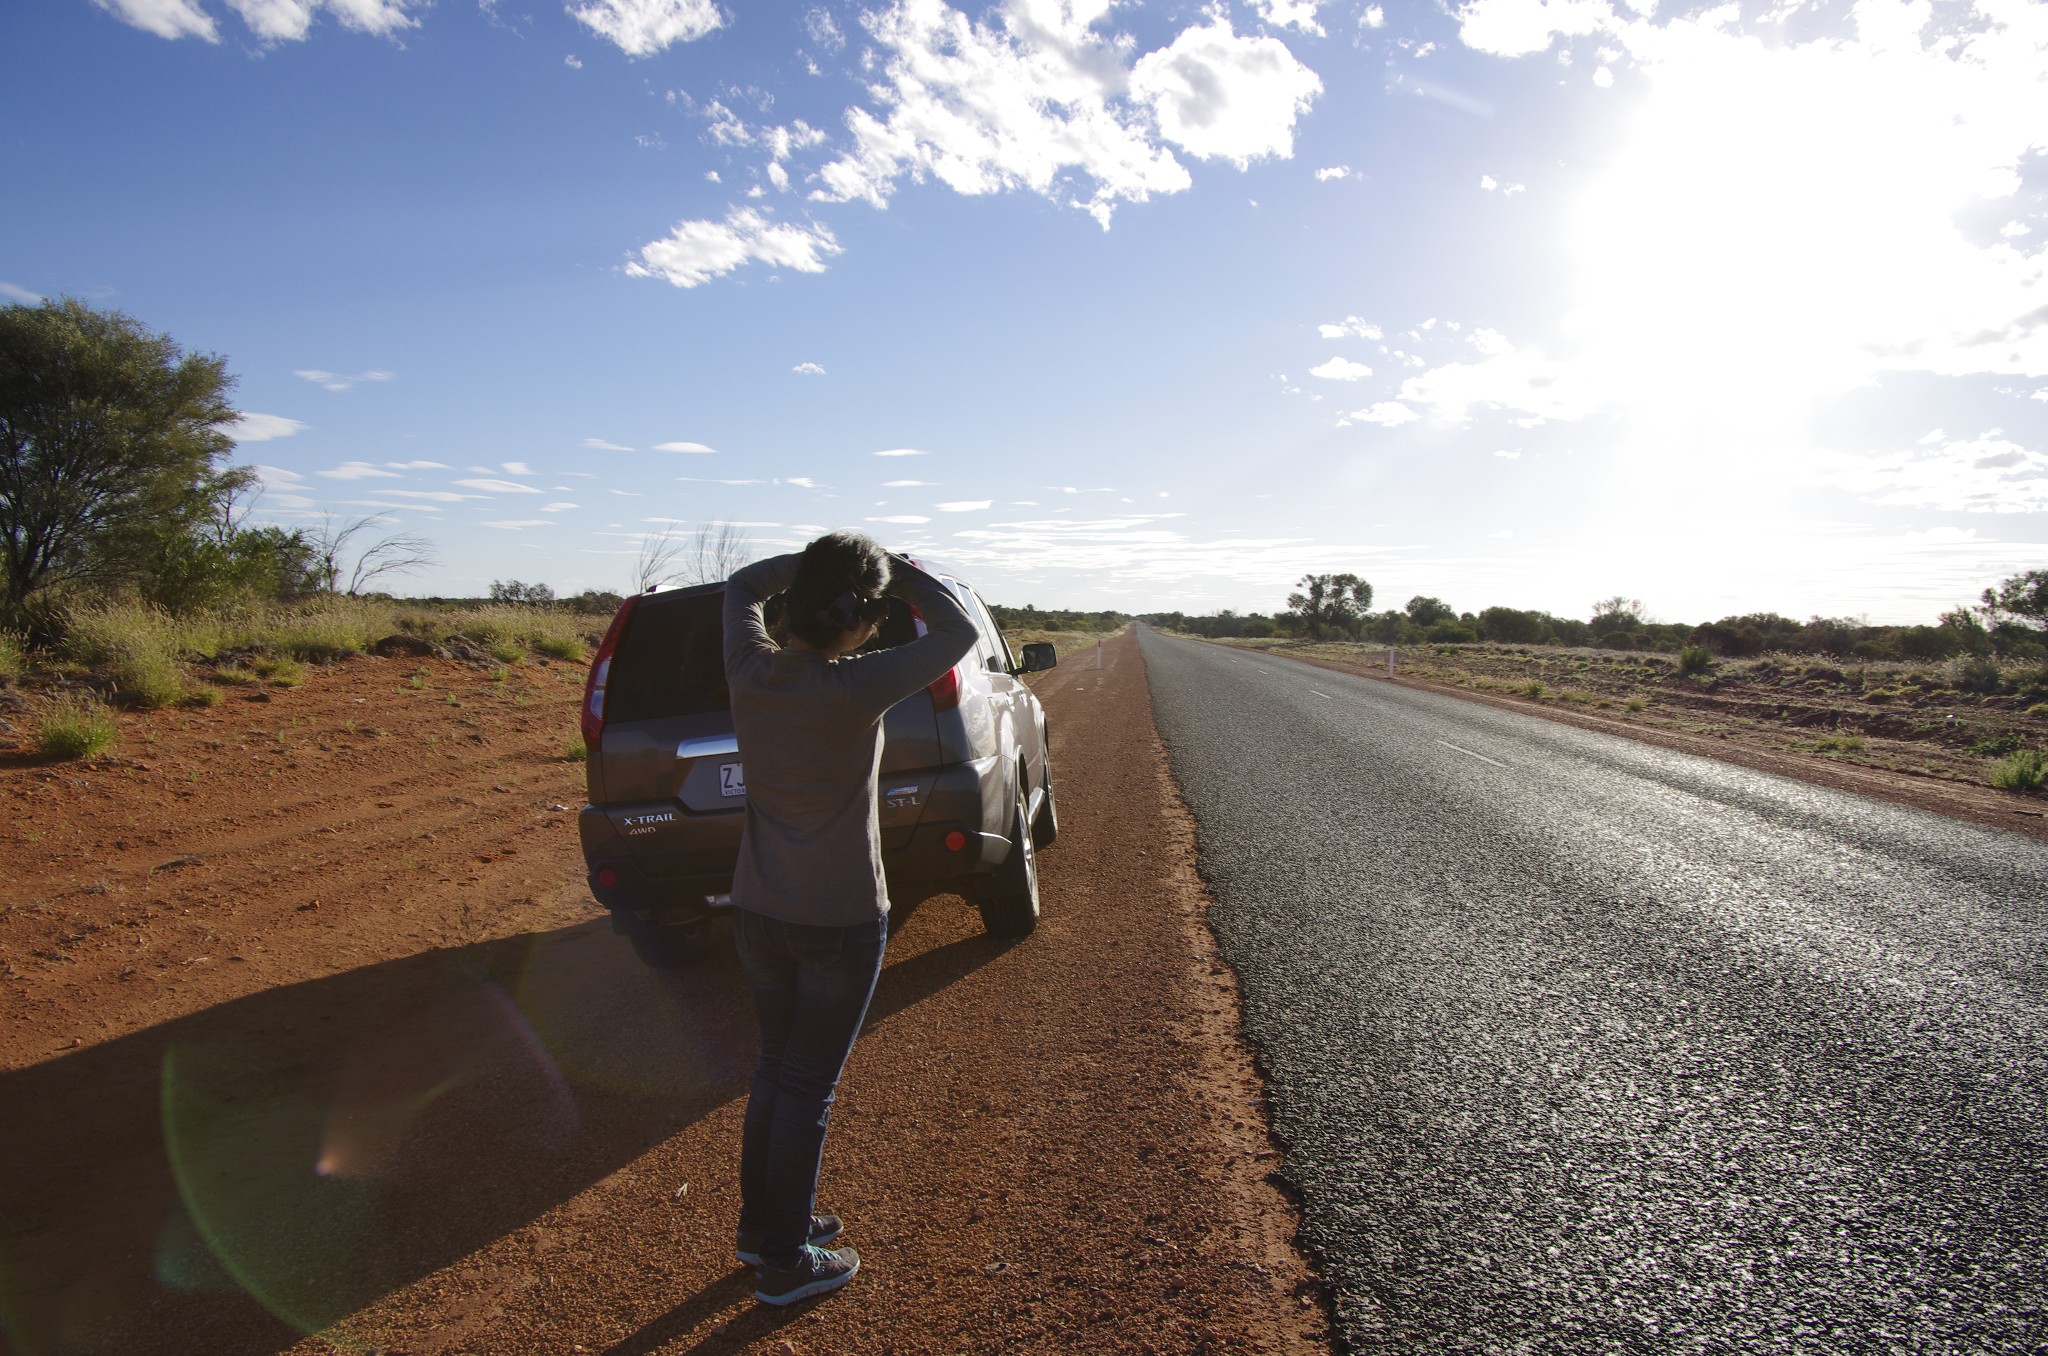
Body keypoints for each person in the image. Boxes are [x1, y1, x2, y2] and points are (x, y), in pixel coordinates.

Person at [720, 530, 977, 1306]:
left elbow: (740, 586)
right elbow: (959, 632)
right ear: (859, 621)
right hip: (838, 917)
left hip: (758, 907)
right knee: (806, 1086)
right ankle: (785, 1261)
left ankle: (765, 1224)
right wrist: (900, 574)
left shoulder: (749, 667)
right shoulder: (859, 684)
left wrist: (821, 569)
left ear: (795, 607)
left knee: (775, 1071)